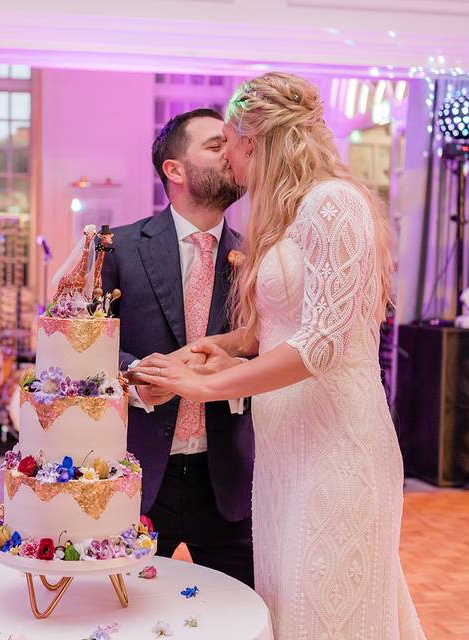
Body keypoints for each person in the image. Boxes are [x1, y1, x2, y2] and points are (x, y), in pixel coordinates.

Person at [134, 73, 426, 639]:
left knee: (327, 604)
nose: (230, 167)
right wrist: (219, 351)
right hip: (285, 447)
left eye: (229, 146)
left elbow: (322, 344)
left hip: (334, 442)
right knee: (288, 606)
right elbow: (277, 327)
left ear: (254, 141)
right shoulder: (293, 214)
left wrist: (211, 387)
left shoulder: (335, 204)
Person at [100, 108, 254, 585]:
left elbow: (270, 346)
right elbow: (80, 346)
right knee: (126, 613)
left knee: (239, 614)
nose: (230, 153)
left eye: (230, 144)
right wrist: (136, 378)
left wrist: (237, 367)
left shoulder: (258, 258)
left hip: (228, 477)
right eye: (215, 145)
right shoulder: (118, 248)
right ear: (175, 169)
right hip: (139, 477)